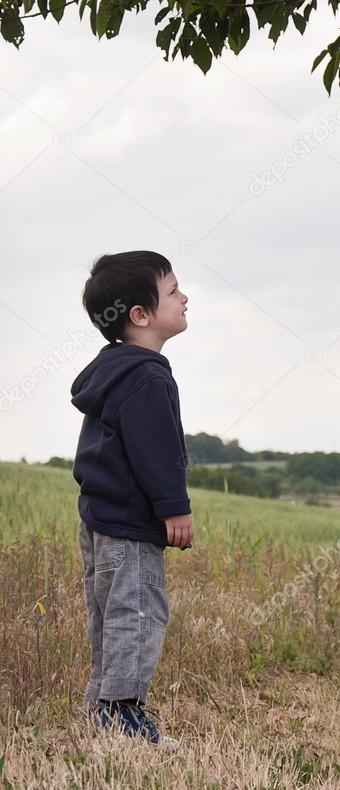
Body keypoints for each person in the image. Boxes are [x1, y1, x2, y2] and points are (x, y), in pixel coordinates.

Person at [70, 250, 193, 746]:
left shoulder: (112, 371)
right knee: (138, 610)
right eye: (172, 291)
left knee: (109, 611)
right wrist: (175, 507)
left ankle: (101, 705)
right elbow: (155, 450)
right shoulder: (146, 375)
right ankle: (123, 712)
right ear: (139, 315)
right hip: (130, 522)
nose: (185, 298)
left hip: (99, 518)